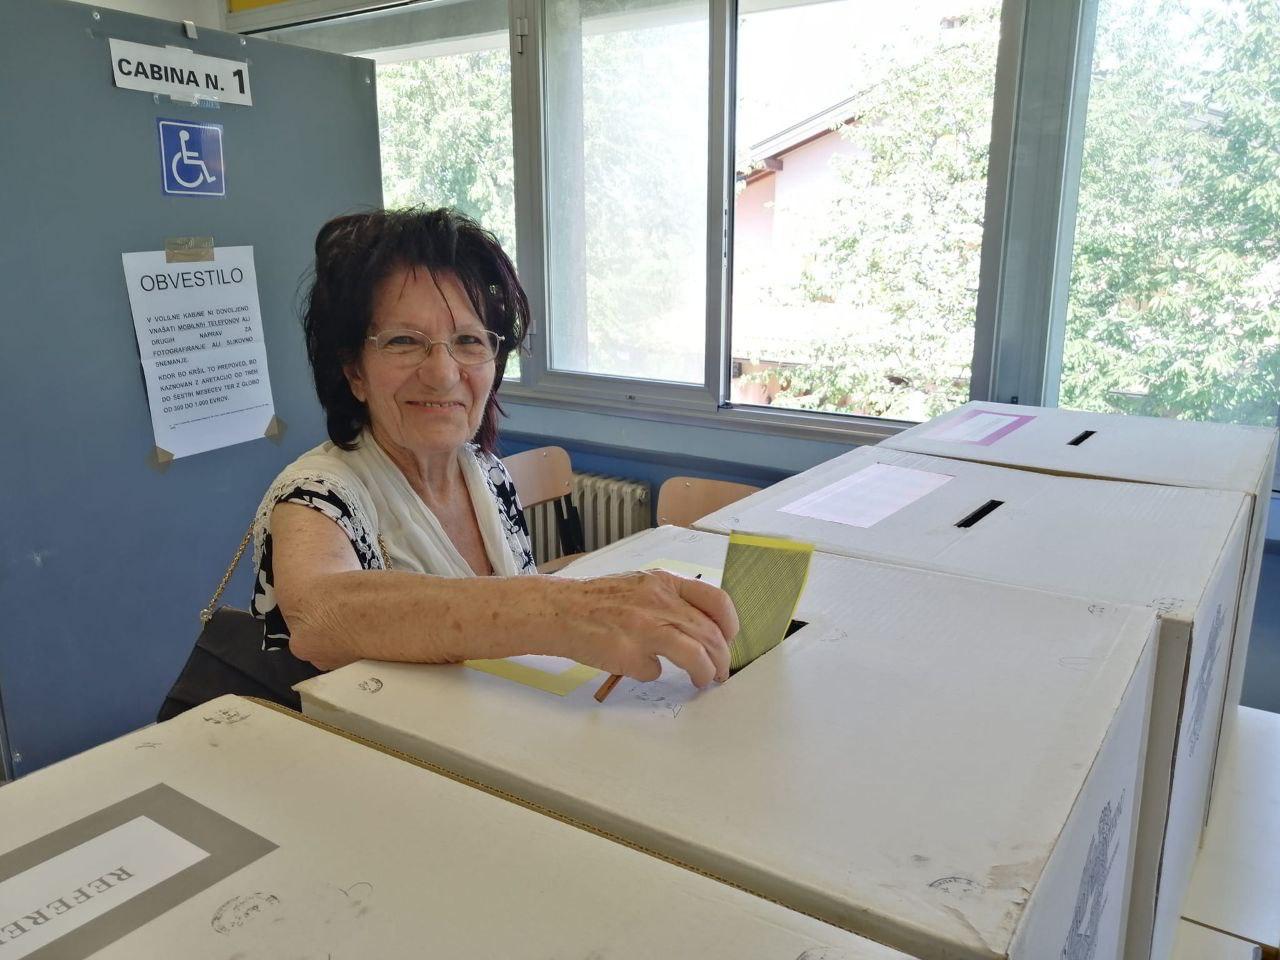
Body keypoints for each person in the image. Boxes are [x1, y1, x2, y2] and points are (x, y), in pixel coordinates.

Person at [250, 208, 737, 688]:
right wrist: (570, 610)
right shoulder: (315, 495)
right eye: (402, 341)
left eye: (468, 340)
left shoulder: (487, 474)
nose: (442, 374)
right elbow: (320, 616)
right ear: (354, 371)